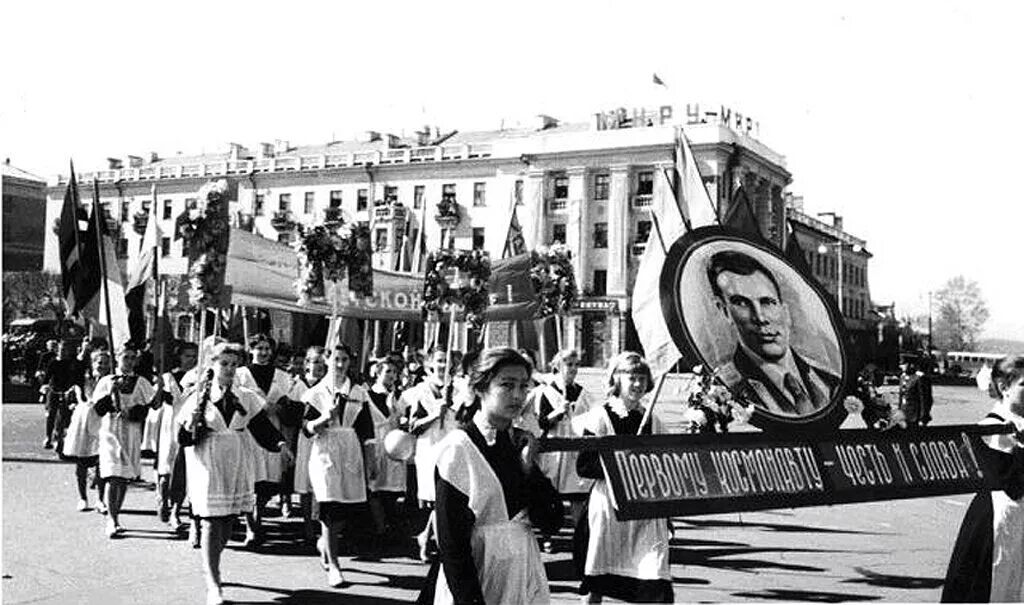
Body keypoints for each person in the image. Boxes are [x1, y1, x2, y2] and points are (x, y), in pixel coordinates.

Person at [420, 347, 563, 605]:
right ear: (480, 388)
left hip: (521, 573)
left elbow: (551, 522)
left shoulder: (520, 443)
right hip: (478, 577)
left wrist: (528, 469)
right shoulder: (458, 448)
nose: (518, 395)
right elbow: (452, 545)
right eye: (507, 385)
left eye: (523, 386)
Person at [177, 342, 293, 605]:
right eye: (223, 364)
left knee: (228, 521)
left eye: (233, 364)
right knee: (210, 520)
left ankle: (211, 562)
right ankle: (213, 582)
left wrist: (280, 445)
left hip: (236, 459)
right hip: (207, 460)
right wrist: (193, 423)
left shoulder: (246, 396)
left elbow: (261, 426)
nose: (229, 369)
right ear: (212, 365)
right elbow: (182, 438)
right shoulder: (198, 397)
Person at [576, 351, 673, 603]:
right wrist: (625, 464)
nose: (638, 384)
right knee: (598, 578)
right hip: (609, 508)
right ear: (616, 379)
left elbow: (666, 462)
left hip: (645, 510)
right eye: (631, 377)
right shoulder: (601, 416)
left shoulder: (652, 420)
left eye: (642, 378)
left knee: (654, 577)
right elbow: (584, 466)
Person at [707, 250, 840, 417]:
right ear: (724, 311)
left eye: (767, 302)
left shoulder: (829, 382)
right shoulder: (727, 391)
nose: (760, 318)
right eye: (742, 303)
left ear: (785, 311)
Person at [942, 355, 1024, 603]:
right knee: (986, 587)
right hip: (995, 521)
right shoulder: (991, 428)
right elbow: (1013, 484)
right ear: (1004, 387)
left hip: (1016, 523)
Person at [301, 342, 374, 588]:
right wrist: (324, 417)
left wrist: (371, 460)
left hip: (350, 450)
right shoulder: (317, 393)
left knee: (346, 506)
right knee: (329, 506)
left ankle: (325, 543)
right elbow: (307, 429)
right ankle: (334, 565)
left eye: (344, 359)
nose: (340, 365)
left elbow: (367, 431)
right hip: (325, 451)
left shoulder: (359, 393)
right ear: (327, 362)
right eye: (335, 360)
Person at [235, 333, 298, 545]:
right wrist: (259, 406)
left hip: (273, 429)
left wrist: (279, 407)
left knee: (269, 481)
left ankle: (257, 513)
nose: (263, 353)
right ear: (251, 350)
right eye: (259, 348)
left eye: (267, 349)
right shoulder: (241, 374)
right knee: (251, 477)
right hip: (250, 432)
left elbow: (288, 404)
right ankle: (251, 527)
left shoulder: (280, 376)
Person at [93, 343, 161, 538]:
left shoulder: (140, 382)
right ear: (118, 358)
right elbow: (98, 409)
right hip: (110, 431)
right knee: (113, 474)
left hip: (130, 432)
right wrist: (110, 394)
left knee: (122, 478)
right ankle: (112, 519)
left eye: (133, 358)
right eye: (126, 358)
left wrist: (159, 390)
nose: (129, 362)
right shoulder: (107, 380)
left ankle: (116, 513)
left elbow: (153, 405)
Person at [531, 348, 594, 552]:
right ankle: (547, 535)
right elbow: (539, 422)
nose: (574, 369)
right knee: (551, 495)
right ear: (558, 366)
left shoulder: (582, 393)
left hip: (574, 448)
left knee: (577, 495)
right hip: (554, 449)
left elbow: (591, 418)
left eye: (576, 365)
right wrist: (557, 414)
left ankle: (580, 538)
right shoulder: (545, 392)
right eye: (569, 364)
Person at [402, 347, 458, 562]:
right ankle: (443, 548)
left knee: (447, 499)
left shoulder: (459, 388)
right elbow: (413, 426)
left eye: (447, 361)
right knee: (438, 500)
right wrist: (435, 414)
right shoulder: (421, 391)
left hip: (452, 447)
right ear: (430, 364)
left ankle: (426, 536)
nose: (443, 365)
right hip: (430, 448)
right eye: (440, 361)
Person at [61, 348, 112, 512]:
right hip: (83, 421)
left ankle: (100, 499)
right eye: (99, 362)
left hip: (103, 421)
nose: (102, 365)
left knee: (102, 461)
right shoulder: (83, 379)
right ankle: (82, 498)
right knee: (82, 462)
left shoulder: (112, 381)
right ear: (92, 363)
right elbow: (74, 368)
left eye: (105, 363)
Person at [155, 341, 198, 527]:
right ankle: (163, 500)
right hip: (169, 425)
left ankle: (176, 511)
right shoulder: (168, 377)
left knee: (182, 470)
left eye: (194, 355)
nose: (192, 359)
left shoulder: (199, 378)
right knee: (166, 469)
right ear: (179, 356)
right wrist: (159, 387)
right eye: (188, 355)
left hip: (187, 426)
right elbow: (159, 401)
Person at [366, 354, 408, 539]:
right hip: (376, 442)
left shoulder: (397, 396)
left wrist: (394, 410)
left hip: (392, 444)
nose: (391, 375)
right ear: (378, 372)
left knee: (390, 487)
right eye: (387, 371)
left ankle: (388, 524)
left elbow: (400, 421)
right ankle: (379, 526)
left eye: (394, 372)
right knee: (373, 485)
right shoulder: (368, 394)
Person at [291, 345, 328, 543]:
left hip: (325, 438)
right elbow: (293, 416)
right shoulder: (298, 386)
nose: (319, 366)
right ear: (307, 364)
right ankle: (307, 525)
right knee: (306, 482)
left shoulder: (329, 386)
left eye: (323, 363)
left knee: (323, 482)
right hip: (306, 439)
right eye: (315, 362)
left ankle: (322, 524)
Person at [39, 339, 84, 450]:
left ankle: (64, 436)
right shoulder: (53, 362)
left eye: (65, 350)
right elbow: (47, 377)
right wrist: (44, 386)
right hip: (54, 390)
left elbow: (78, 378)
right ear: (57, 350)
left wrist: (78, 390)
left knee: (68, 413)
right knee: (51, 414)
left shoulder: (73, 363)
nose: (63, 352)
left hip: (68, 391)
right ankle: (48, 437)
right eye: (61, 350)